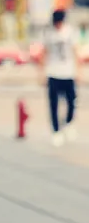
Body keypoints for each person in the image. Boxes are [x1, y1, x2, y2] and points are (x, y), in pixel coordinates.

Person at [39, 9, 81, 147]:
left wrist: (78, 71)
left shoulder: (70, 32)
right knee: (53, 104)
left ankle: (68, 122)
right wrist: (41, 73)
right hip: (53, 72)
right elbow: (44, 53)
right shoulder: (49, 33)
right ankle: (56, 131)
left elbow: (75, 51)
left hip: (68, 72)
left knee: (71, 101)